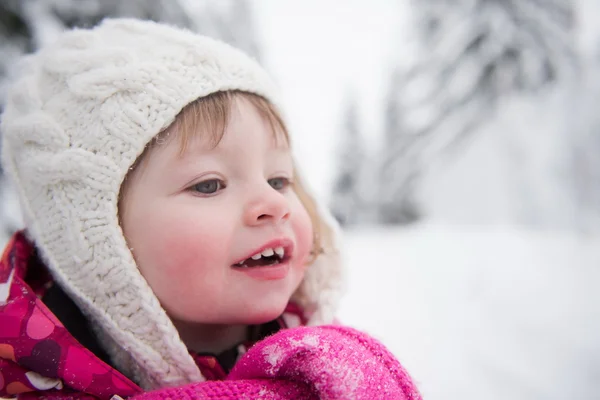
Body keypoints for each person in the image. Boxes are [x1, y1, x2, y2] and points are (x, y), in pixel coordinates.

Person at [0, 19, 421, 399]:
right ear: (98, 248)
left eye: (279, 179)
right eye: (209, 185)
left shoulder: (321, 362)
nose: (272, 203)